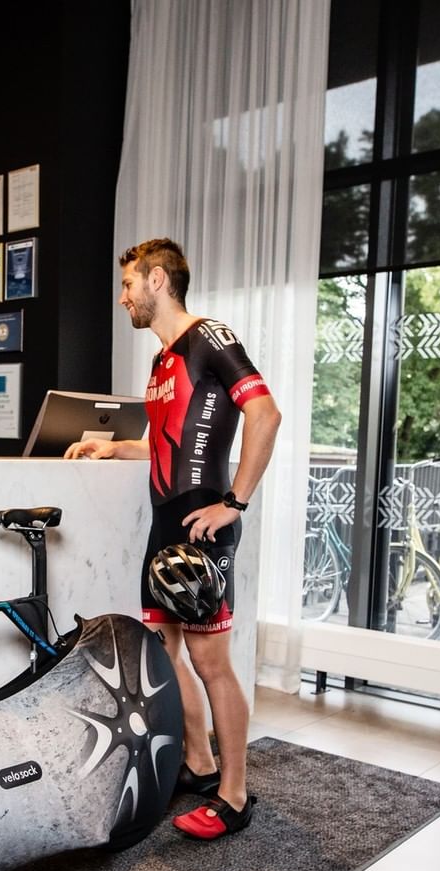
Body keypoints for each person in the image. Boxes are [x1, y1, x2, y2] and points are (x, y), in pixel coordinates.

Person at [65, 238, 281, 840]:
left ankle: (234, 797)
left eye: (130, 283)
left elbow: (266, 414)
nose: (124, 296)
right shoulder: (162, 362)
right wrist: (115, 447)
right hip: (166, 524)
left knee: (212, 661)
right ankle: (200, 762)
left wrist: (233, 503)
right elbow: (168, 444)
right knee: (162, 653)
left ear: (158, 280)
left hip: (201, 525)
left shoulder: (210, 338)